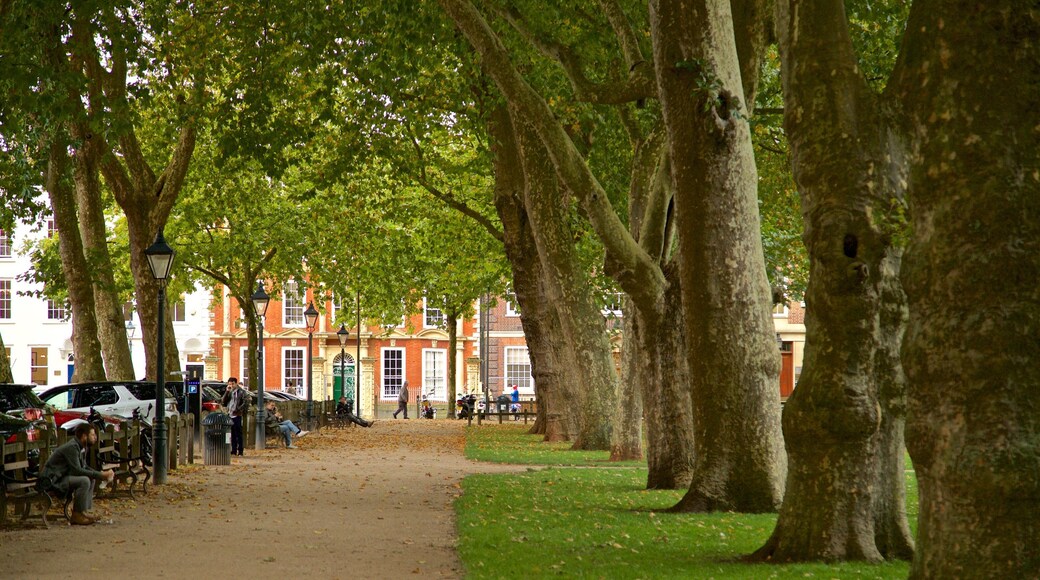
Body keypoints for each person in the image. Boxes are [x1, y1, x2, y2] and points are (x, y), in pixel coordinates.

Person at [38, 423, 116, 526]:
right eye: (92, 435)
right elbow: (77, 470)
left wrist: (100, 474)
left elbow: (84, 467)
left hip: (63, 477)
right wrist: (101, 475)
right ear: (84, 436)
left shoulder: (81, 447)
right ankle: (77, 515)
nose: (95, 438)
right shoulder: (72, 447)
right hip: (52, 481)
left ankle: (84, 512)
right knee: (84, 480)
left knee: (90, 478)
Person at [221, 377, 248, 456]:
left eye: (232, 384)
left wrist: (239, 409)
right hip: (230, 414)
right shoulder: (229, 392)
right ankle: (233, 450)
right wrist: (227, 392)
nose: (231, 385)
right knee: (231, 433)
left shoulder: (241, 392)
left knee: (238, 433)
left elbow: (245, 402)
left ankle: (240, 450)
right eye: (229, 384)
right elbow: (223, 401)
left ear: (236, 383)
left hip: (237, 414)